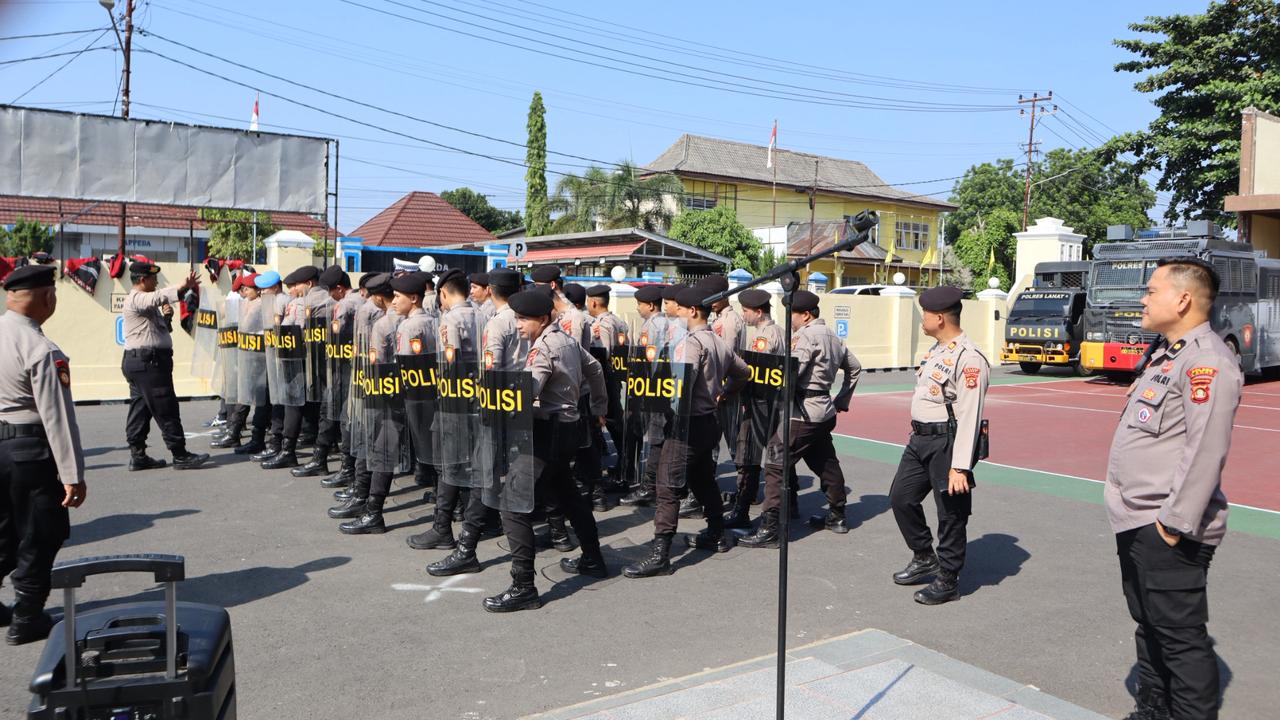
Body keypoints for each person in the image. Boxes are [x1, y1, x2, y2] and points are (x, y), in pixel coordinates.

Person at [1107, 259, 1241, 720]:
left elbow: (1207, 449)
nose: (1143, 299)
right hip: (1137, 518)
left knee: (1180, 637)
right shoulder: (1167, 354)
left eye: (1151, 290)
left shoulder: (1207, 361)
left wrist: (1173, 523)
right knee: (1149, 626)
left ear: (1182, 299)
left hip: (1167, 526)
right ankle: (1153, 708)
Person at [483, 289, 609, 612]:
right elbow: (595, 368)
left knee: (512, 504)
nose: (519, 325)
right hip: (569, 429)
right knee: (567, 493)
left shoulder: (542, 349)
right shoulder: (567, 341)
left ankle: (523, 585)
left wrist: (501, 408)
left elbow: (528, 391)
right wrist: (598, 406)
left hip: (547, 432)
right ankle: (593, 558)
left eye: (523, 319)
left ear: (542, 319)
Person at [625, 285, 749, 578]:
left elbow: (684, 379)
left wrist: (667, 403)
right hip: (708, 421)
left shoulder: (691, 343)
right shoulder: (717, 341)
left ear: (693, 311)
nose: (676, 312)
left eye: (679, 308)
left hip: (687, 423)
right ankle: (716, 532)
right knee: (703, 479)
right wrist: (725, 393)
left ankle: (660, 554)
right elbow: (743, 371)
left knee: (667, 487)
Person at [0, 265, 88, 645]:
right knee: (40, 532)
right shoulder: (42, 349)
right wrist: (73, 473)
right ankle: (27, 616)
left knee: (2, 531)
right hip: (31, 451)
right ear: (44, 297)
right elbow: (57, 417)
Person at [887, 286, 989, 606]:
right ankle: (923, 556)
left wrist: (961, 466)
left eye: (925, 315)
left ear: (940, 318)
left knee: (951, 513)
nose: (922, 320)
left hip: (947, 442)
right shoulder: (938, 350)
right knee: (901, 498)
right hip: (920, 440)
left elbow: (971, 414)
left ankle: (948, 578)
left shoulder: (968, 358)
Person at [740, 290, 860, 547]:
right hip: (824, 410)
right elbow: (855, 366)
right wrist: (842, 398)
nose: (789, 319)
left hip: (802, 413)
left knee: (774, 463)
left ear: (805, 314)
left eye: (792, 313)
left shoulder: (804, 336)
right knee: (825, 463)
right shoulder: (833, 337)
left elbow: (792, 374)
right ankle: (837, 515)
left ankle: (771, 528)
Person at [121, 261, 209, 471]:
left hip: (142, 362)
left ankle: (138, 454)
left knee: (140, 409)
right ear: (142, 280)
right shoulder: (137, 298)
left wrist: (167, 317)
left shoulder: (145, 304)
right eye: (153, 278)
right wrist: (182, 287)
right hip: (148, 363)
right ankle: (180, 454)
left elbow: (157, 331)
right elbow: (157, 296)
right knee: (166, 406)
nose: (157, 281)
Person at [723, 288, 787, 530]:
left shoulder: (763, 337)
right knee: (775, 457)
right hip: (773, 404)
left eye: (746, 311)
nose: (744, 315)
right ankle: (787, 505)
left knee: (749, 455)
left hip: (759, 403)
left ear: (758, 312)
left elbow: (754, 373)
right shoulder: (779, 332)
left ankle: (742, 510)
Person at [293, 265, 355, 479]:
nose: (329, 297)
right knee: (332, 414)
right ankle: (325, 459)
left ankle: (340, 466)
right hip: (340, 367)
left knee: (337, 415)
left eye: (331, 292)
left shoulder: (347, 305)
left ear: (339, 288)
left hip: (345, 369)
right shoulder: (349, 303)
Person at [619, 284, 667, 507]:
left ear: (650, 305)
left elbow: (648, 361)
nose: (637, 308)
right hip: (663, 388)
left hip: (650, 388)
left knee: (653, 437)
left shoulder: (651, 327)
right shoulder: (668, 323)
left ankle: (648, 487)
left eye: (639, 304)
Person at [585, 284, 631, 491]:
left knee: (610, 424)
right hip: (615, 379)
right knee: (616, 424)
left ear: (593, 302)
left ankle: (623, 469)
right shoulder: (618, 321)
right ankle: (624, 465)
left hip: (605, 380)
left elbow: (602, 358)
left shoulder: (601, 324)